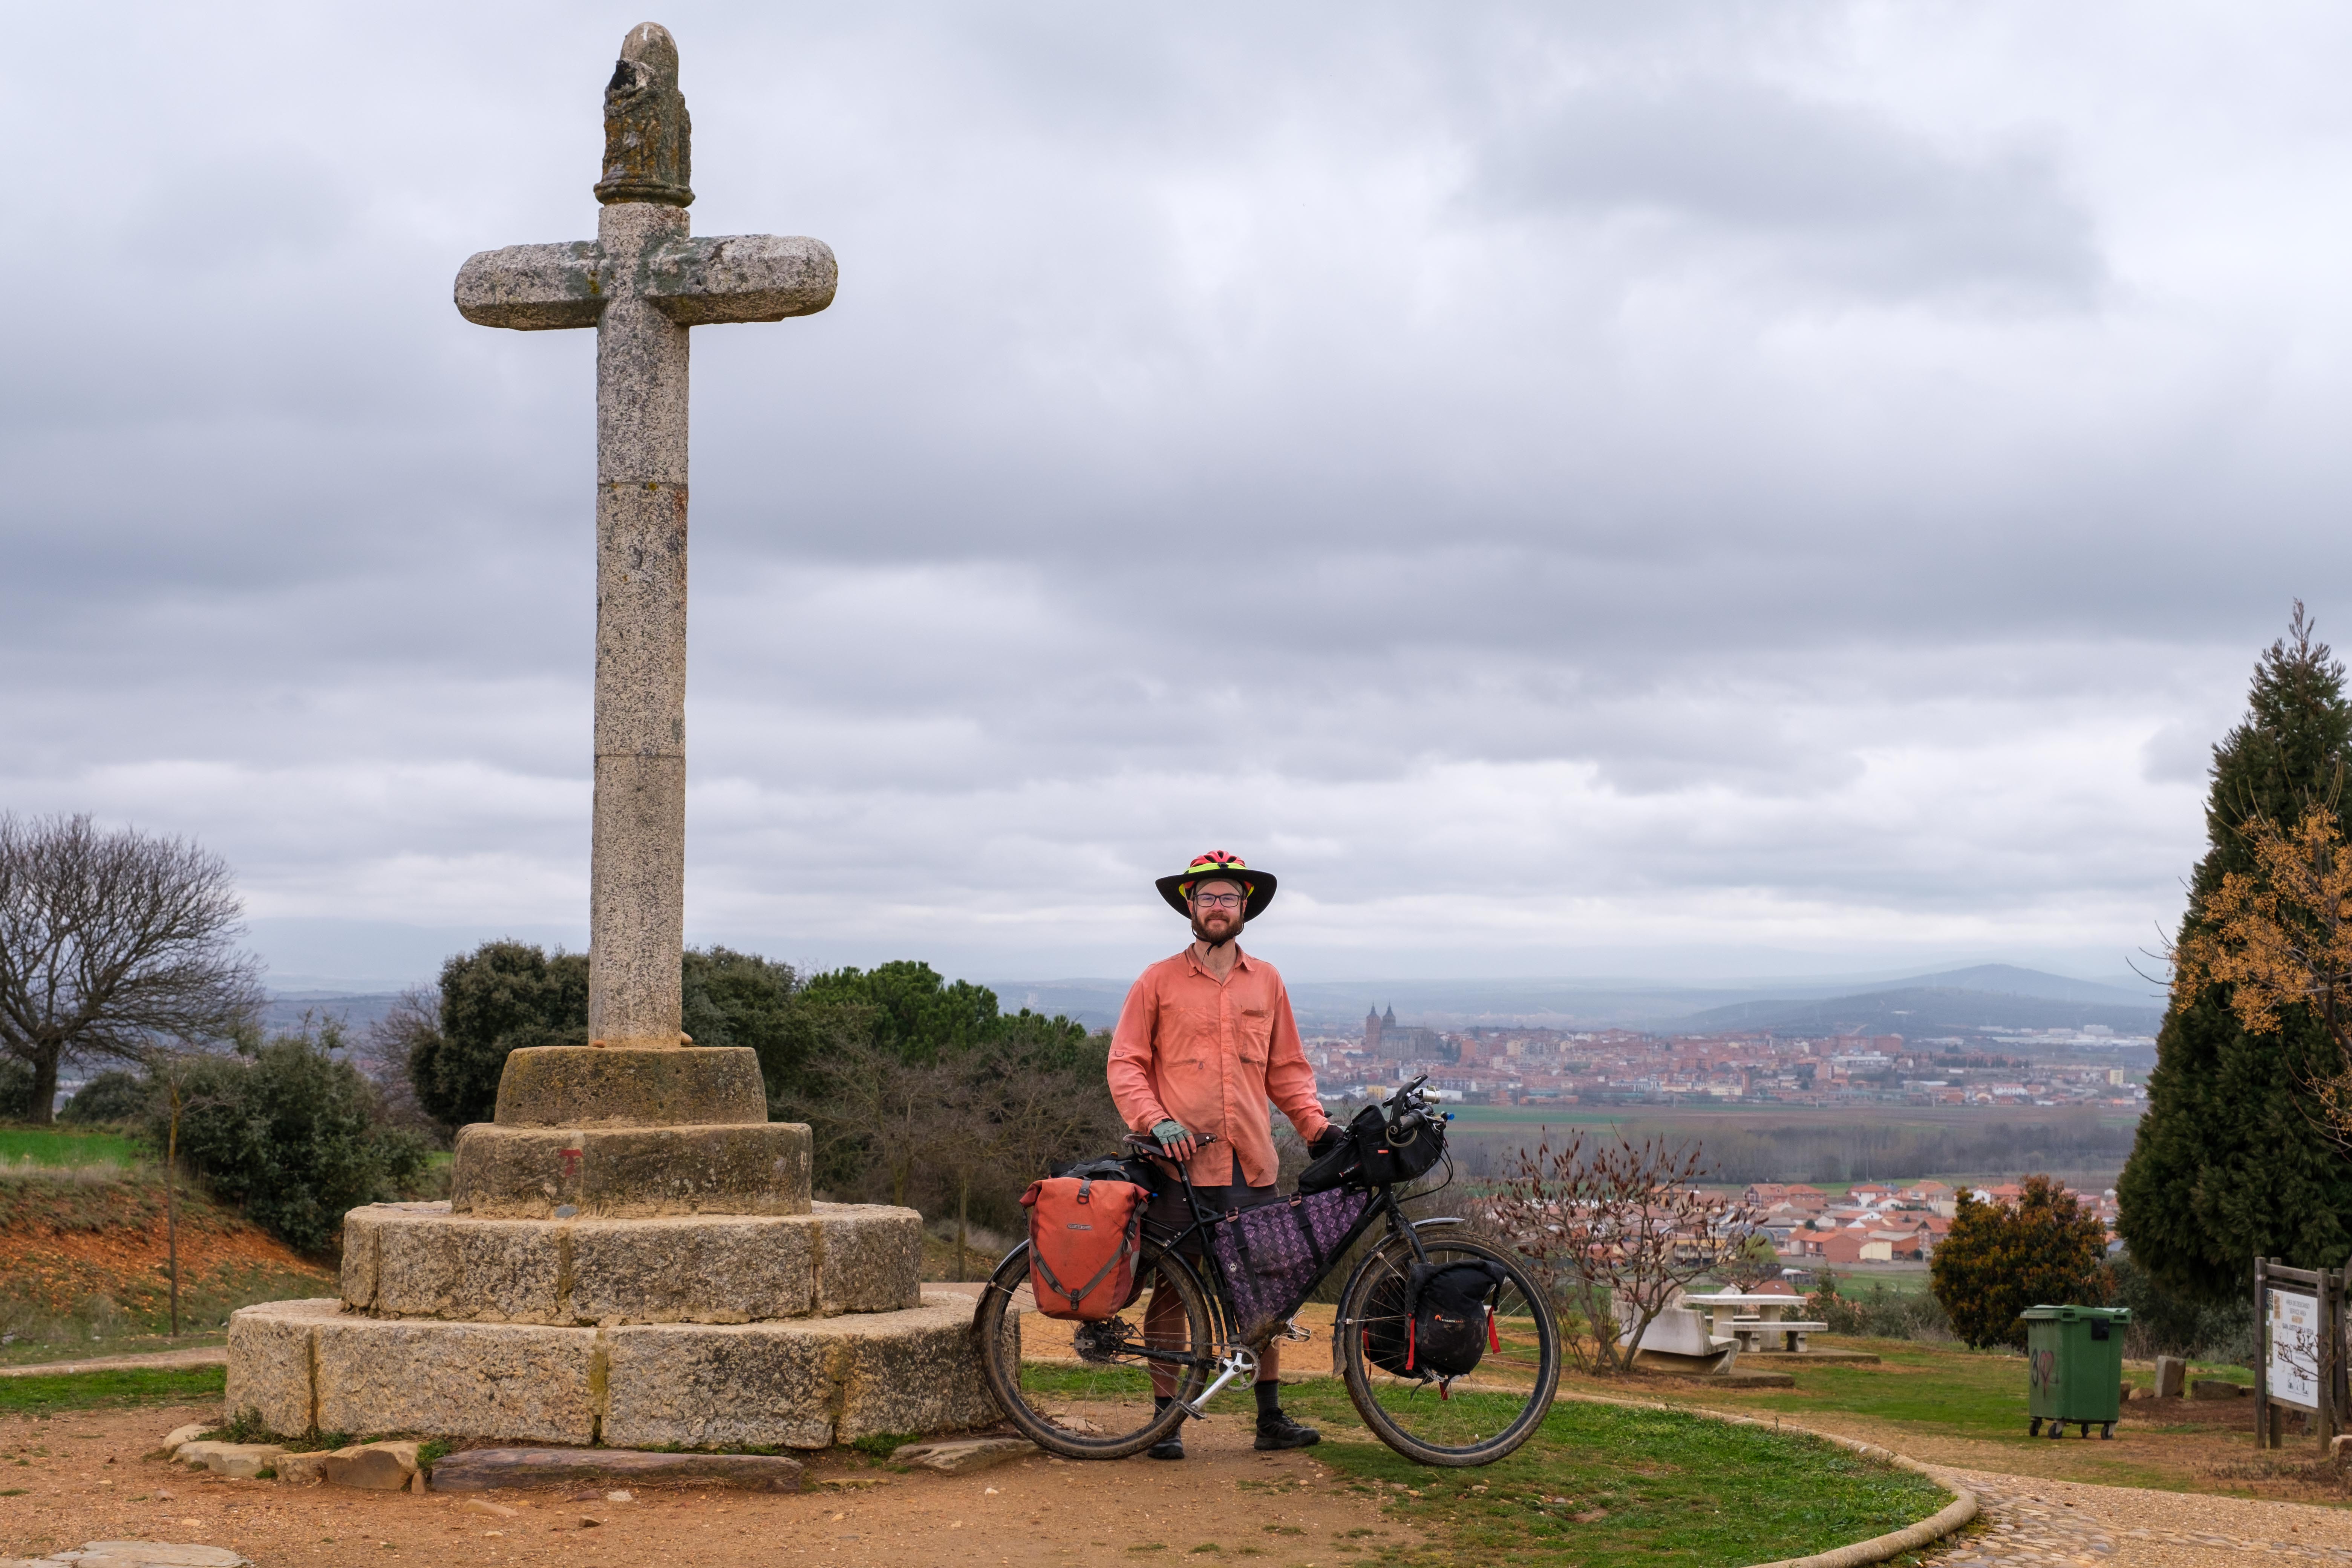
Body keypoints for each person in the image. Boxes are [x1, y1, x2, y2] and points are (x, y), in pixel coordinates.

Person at [1108, 850, 1340, 1459]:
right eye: (1206, 897)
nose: (1217, 908)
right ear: (1190, 906)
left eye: (1228, 898)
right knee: (1170, 1290)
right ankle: (1167, 1423)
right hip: (1176, 1167)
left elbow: (1287, 1068)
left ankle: (1269, 1419)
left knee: (1266, 1291)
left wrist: (1315, 1126)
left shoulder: (1267, 980)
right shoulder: (1155, 981)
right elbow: (1126, 1064)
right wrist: (1155, 1121)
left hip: (1251, 1162)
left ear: (1245, 909)